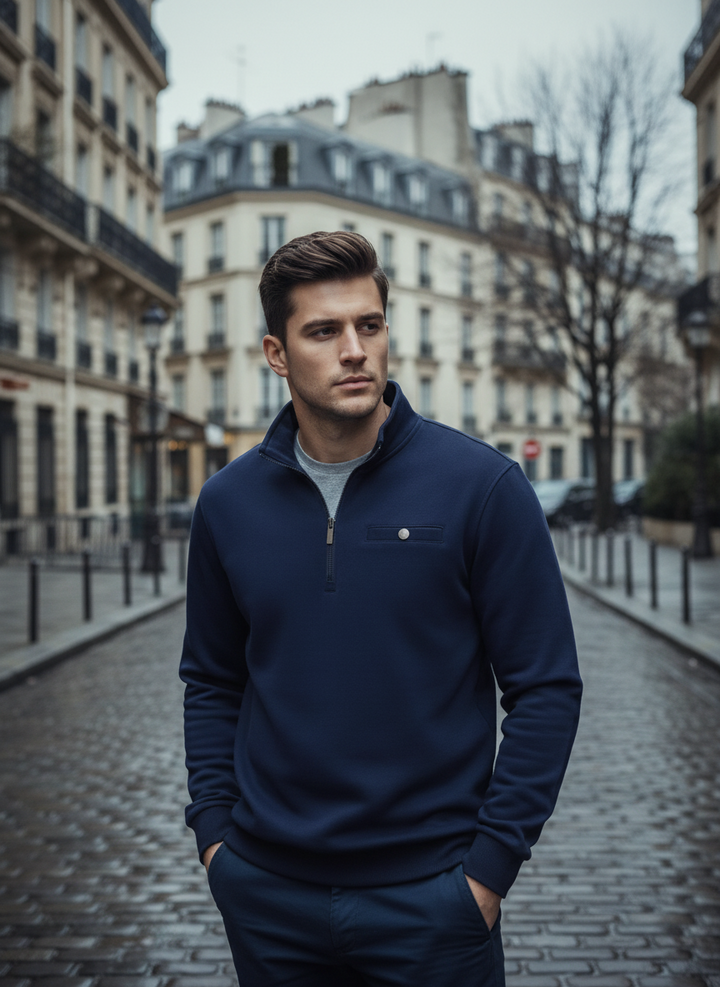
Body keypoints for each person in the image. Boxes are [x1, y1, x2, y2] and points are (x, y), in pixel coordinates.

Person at [180, 230, 582, 987]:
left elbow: (546, 687)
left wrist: (487, 872)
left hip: (433, 902)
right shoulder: (228, 503)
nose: (354, 350)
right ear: (276, 354)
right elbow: (211, 680)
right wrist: (217, 841)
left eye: (369, 325)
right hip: (267, 895)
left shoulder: (483, 488)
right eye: (324, 331)